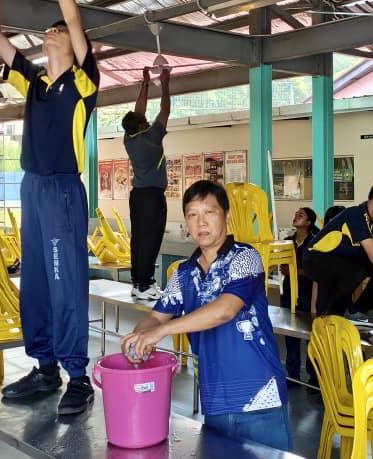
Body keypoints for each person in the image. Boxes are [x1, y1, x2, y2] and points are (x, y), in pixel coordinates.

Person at [0, 0, 100, 415]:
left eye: (59, 30)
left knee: (65, 283)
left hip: (62, 190)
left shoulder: (84, 82)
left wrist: (69, 20)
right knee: (34, 283)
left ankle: (78, 377)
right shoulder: (33, 81)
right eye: (48, 30)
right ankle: (46, 368)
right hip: (31, 188)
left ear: (75, 43)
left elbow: (72, 16)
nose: (52, 32)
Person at [120, 180, 292, 450]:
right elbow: (156, 316)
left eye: (209, 212)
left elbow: (225, 310)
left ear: (226, 215)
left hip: (261, 398)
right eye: (192, 214)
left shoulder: (245, 257)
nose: (201, 222)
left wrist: (161, 332)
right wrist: (139, 336)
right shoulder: (184, 273)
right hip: (215, 402)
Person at [303, 178, 373, 319]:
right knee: (356, 271)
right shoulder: (356, 216)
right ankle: (333, 313)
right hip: (315, 259)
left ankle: (357, 311)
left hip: (342, 259)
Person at [121, 65, 171, 300]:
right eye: (144, 120)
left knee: (139, 239)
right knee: (151, 239)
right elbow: (165, 110)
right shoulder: (152, 137)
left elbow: (138, 111)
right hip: (152, 197)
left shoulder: (129, 138)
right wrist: (166, 83)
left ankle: (137, 282)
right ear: (141, 126)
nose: (148, 120)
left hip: (137, 197)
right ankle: (145, 285)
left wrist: (146, 83)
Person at [279, 207, 318, 381]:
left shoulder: (315, 243)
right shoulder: (287, 242)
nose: (296, 217)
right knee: (290, 336)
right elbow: (283, 268)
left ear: (308, 222)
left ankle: (313, 376)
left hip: (308, 295)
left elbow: (315, 271)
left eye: (300, 215)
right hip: (289, 293)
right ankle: (293, 375)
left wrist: (295, 271)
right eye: (295, 214)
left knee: (311, 337)